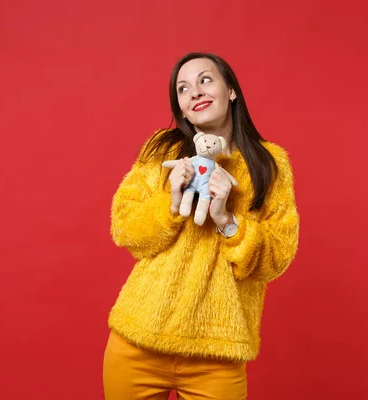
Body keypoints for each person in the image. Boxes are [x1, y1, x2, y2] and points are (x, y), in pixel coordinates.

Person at [103, 52, 300, 400]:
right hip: (138, 340)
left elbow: (277, 258)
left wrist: (228, 220)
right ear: (180, 108)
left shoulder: (270, 164)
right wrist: (172, 204)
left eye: (205, 80)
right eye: (183, 88)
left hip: (218, 353)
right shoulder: (160, 151)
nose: (194, 91)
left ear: (231, 90)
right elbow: (125, 228)